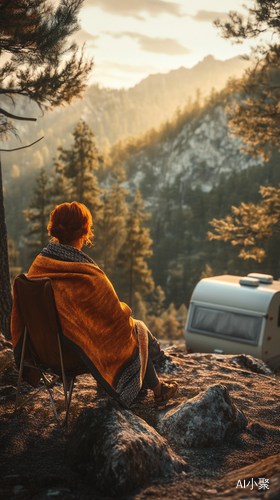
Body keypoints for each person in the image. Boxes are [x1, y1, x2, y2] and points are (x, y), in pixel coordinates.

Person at [11, 201, 178, 408]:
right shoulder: (88, 274)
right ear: (84, 231)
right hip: (76, 355)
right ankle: (156, 385)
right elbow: (116, 318)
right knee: (136, 328)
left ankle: (152, 377)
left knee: (132, 330)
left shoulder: (39, 266)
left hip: (42, 353)